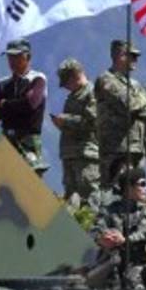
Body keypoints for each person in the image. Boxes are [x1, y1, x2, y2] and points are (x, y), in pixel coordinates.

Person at [94, 40, 146, 185]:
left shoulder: (134, 84)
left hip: (135, 148)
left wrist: (142, 104)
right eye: (132, 56)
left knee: (136, 191)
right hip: (116, 150)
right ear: (120, 56)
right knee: (114, 192)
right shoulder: (106, 80)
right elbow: (129, 105)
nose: (135, 60)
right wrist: (142, 102)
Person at [87, 166, 146, 289]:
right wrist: (101, 238)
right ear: (129, 188)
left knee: (135, 284)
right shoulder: (110, 209)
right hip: (111, 262)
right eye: (142, 184)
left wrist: (125, 240)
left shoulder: (145, 212)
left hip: (136, 262)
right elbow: (94, 230)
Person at [50, 58, 100, 205]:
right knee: (71, 199)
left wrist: (65, 120)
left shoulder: (91, 93)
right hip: (70, 154)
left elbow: (92, 122)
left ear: (75, 75)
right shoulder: (73, 96)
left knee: (89, 197)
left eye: (66, 82)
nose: (65, 87)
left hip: (85, 155)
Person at [0, 37, 48, 163]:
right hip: (7, 138)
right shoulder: (3, 83)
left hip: (28, 140)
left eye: (16, 56)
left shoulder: (37, 79)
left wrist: (6, 103)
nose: (12, 61)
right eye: (9, 57)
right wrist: (14, 105)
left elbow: (30, 104)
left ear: (27, 57)